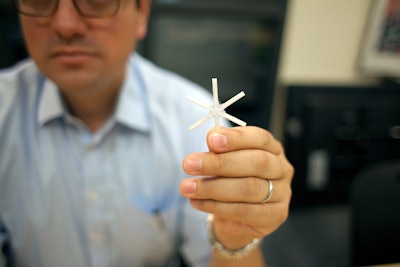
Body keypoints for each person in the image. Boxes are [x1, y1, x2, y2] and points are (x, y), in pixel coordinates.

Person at [0, 0, 294, 266]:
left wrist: (235, 238)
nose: (65, 25)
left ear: (142, 13)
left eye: (97, 2)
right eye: (39, 1)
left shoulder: (191, 119)